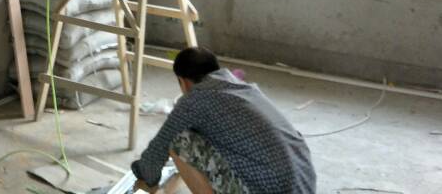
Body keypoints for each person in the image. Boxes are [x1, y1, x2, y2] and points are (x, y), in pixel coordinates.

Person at [131, 47, 316, 194]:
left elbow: (157, 152)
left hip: (270, 189)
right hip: (304, 183)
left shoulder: (195, 99)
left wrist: (142, 174)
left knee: (179, 141)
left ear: (183, 81)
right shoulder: (245, 90)